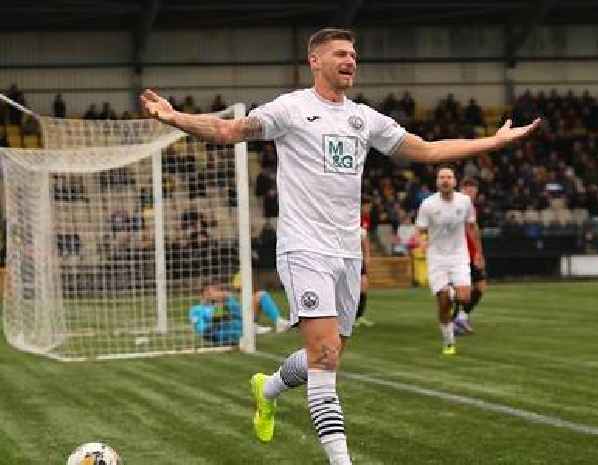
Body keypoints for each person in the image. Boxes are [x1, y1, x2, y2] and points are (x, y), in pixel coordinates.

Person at [140, 27, 539, 465]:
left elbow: (426, 150)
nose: (351, 60)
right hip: (304, 247)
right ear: (315, 61)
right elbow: (228, 129)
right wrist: (175, 117)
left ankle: (268, 388)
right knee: (326, 358)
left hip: (347, 251)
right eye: (340, 54)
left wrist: (494, 142)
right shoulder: (291, 109)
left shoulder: (365, 118)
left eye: (354, 54)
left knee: (325, 354)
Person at [416, 165, 478, 355]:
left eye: (449, 177)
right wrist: (423, 243)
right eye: (442, 177)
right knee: (443, 303)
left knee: (465, 296)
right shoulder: (428, 204)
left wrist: (477, 252)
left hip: (459, 256)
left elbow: (471, 226)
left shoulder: (465, 201)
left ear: (454, 181)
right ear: (437, 182)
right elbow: (420, 230)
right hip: (436, 258)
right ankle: (449, 342)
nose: (445, 180)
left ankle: (451, 291)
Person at [188, 283, 289, 345]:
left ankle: (278, 321)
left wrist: (226, 300)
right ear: (203, 295)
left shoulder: (223, 302)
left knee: (261, 295)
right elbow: (203, 330)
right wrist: (219, 312)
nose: (215, 294)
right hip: (221, 332)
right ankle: (249, 329)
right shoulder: (196, 310)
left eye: (215, 291)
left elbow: (238, 311)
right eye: (210, 292)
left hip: (239, 320)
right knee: (229, 321)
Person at [452, 177, 486, 335]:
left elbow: (473, 230)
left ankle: (461, 317)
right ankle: (456, 320)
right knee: (463, 288)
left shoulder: (469, 206)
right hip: (459, 253)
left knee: (479, 286)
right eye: (468, 188)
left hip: (469, 252)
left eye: (474, 189)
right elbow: (469, 230)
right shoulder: (458, 203)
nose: (471, 192)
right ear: (462, 189)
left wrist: (478, 253)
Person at [354, 226, 373, 327]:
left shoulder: (361, 231)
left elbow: (366, 247)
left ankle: (359, 316)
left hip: (359, 262)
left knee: (364, 287)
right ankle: (348, 317)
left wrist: (367, 259)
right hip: (347, 263)